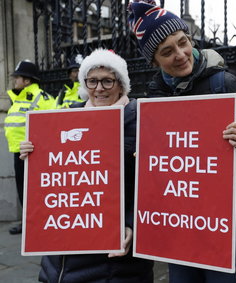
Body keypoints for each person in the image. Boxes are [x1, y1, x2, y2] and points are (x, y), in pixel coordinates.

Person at [128, 1, 236, 282]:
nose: (180, 54)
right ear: (154, 62)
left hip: (226, 227)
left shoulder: (224, 84)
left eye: (182, 42)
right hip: (180, 225)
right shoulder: (154, 97)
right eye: (167, 52)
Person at [19, 49, 154, 283]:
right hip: (59, 262)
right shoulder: (62, 121)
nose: (99, 88)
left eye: (107, 81)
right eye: (92, 81)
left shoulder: (143, 122)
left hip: (112, 263)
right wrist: (33, 155)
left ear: (121, 84)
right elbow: (51, 185)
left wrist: (132, 224)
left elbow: (156, 187)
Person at [4, 60, 56, 235]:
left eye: (17, 77)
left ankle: (40, 223)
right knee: (23, 190)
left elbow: (53, 125)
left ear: (27, 80)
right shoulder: (17, 98)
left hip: (34, 153)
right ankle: (28, 223)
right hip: (17, 150)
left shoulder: (43, 98)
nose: (14, 81)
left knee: (36, 191)